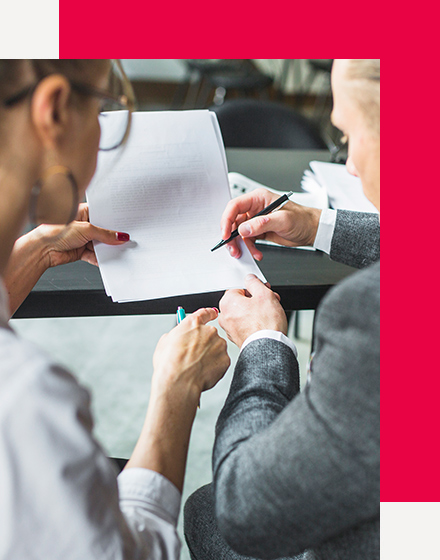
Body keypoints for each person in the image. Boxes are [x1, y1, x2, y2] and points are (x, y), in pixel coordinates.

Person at [0, 59, 230, 559]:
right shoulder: (28, 401)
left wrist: (37, 250)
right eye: (106, 110)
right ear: (55, 113)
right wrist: (177, 388)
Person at [184, 59, 380, 560]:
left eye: (348, 137)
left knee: (206, 509)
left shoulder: (368, 316)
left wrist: (263, 344)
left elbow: (246, 512)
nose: (350, 166)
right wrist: (316, 224)